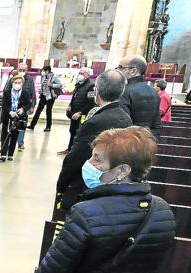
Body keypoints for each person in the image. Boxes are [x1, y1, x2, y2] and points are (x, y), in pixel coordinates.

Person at [35, 126, 176, 273]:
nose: (89, 164)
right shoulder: (162, 211)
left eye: (97, 160)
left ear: (122, 171)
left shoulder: (85, 213)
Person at [55, 69, 132, 215]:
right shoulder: (126, 117)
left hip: (85, 187)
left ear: (97, 91)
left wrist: (61, 185)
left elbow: (76, 158)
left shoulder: (96, 121)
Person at [117, 54, 162, 138]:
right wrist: (151, 142)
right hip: (146, 143)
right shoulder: (153, 91)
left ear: (133, 71)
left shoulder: (124, 91)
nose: (117, 70)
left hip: (127, 143)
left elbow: (122, 124)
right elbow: (157, 125)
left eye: (121, 67)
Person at [58, 68, 95, 155]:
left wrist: (81, 113)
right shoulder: (78, 84)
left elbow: (91, 102)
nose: (80, 75)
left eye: (82, 73)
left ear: (87, 75)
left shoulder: (91, 86)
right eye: (79, 73)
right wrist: (70, 105)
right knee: (72, 130)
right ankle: (70, 148)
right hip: (74, 112)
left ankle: (75, 151)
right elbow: (74, 97)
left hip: (82, 115)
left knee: (79, 132)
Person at [3, 63, 36, 150]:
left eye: (23, 70)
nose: (22, 71)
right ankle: (8, 143)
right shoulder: (12, 78)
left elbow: (32, 92)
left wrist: (32, 106)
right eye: (20, 69)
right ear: (17, 69)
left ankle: (20, 143)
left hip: (23, 107)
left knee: (21, 125)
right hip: (12, 107)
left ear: (27, 70)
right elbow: (6, 90)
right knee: (10, 127)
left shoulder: (29, 79)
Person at [0, 75, 31, 162]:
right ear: (12, 83)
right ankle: (3, 154)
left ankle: (10, 154)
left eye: (19, 83)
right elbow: (4, 104)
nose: (17, 84)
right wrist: (10, 111)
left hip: (18, 117)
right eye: (15, 82)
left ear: (22, 84)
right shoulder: (7, 92)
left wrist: (23, 109)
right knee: (5, 134)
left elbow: (28, 104)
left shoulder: (25, 92)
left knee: (14, 135)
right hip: (8, 115)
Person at [28, 65, 62, 132]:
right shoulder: (43, 77)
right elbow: (43, 85)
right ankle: (32, 125)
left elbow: (60, 84)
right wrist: (40, 90)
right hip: (43, 96)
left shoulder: (54, 77)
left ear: (47, 71)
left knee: (48, 111)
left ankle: (48, 126)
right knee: (38, 111)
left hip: (50, 97)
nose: (42, 72)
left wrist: (52, 85)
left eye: (43, 71)